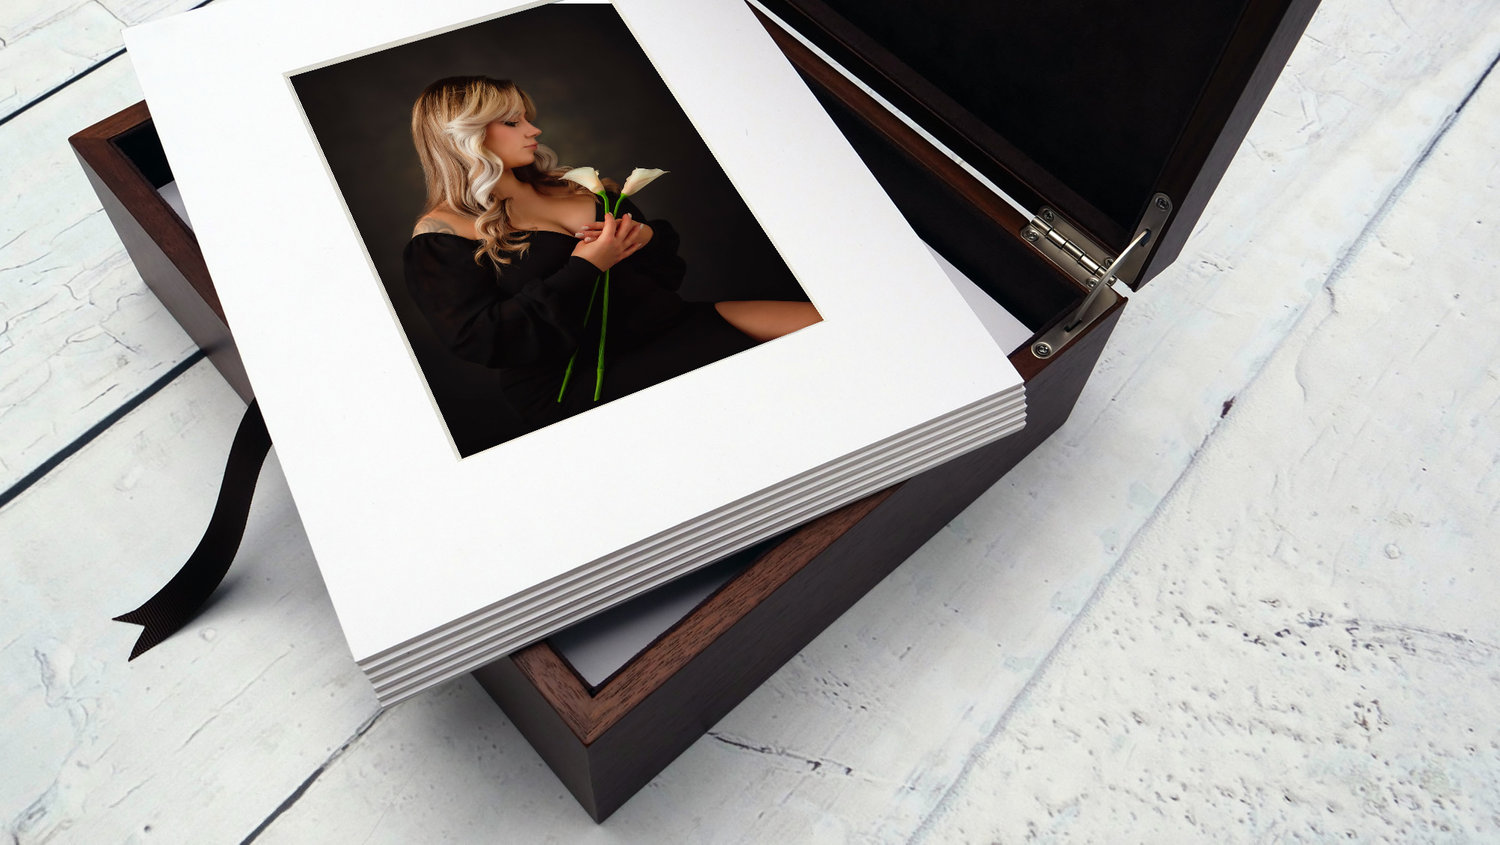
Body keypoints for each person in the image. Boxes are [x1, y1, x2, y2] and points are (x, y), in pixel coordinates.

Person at [403, 76, 820, 436]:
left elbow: (664, 275)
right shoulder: (440, 234)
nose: (534, 130)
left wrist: (645, 236)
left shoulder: (574, 187)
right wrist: (586, 267)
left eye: (528, 117)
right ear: (467, 137)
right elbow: (484, 339)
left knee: (825, 322)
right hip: (579, 375)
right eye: (513, 122)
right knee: (764, 382)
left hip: (665, 323)